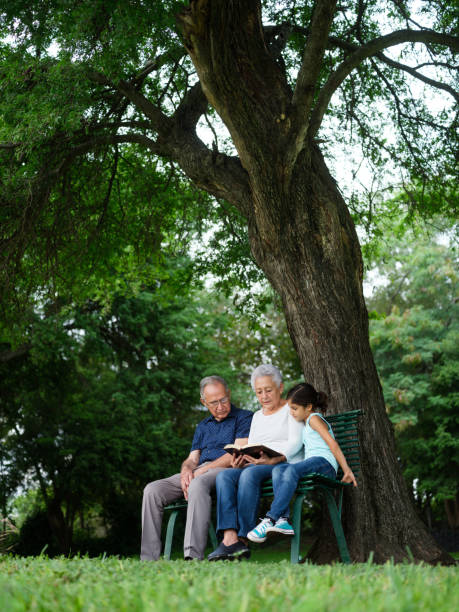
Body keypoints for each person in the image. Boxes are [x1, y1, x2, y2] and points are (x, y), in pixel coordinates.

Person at [141, 375, 253, 561]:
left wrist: (200, 471)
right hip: (200, 469)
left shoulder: (244, 417)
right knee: (152, 490)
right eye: (213, 402)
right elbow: (192, 458)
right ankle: (148, 559)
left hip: (227, 470)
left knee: (197, 483)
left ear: (229, 394)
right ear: (204, 402)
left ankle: (192, 557)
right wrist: (187, 470)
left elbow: (237, 453)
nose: (220, 406)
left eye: (223, 399)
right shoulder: (202, 426)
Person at [208, 364, 304, 561]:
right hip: (258, 463)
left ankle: (243, 540)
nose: (264, 396)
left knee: (249, 474)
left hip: (283, 464)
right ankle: (228, 538)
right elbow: (252, 444)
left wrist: (275, 458)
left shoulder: (291, 409)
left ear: (280, 387)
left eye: (268, 390)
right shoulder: (257, 416)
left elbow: (296, 442)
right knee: (225, 474)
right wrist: (240, 459)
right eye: (259, 392)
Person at [247, 382, 357, 544]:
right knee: (278, 470)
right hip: (314, 463)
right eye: (290, 408)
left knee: (290, 471)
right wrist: (273, 459)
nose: (291, 413)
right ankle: (283, 521)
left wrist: (346, 470)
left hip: (324, 464)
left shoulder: (314, 419)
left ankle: (271, 518)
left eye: (294, 408)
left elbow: (332, 443)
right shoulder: (306, 423)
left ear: (309, 407)